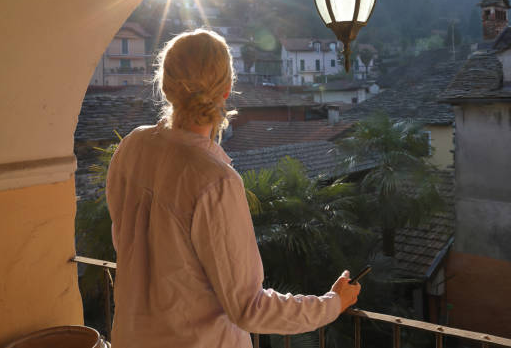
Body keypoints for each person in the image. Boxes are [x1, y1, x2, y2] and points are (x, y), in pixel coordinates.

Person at [106, 30, 361, 348]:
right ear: (227, 90)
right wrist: (332, 304)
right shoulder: (214, 181)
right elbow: (248, 309)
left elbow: (124, 240)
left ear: (165, 85)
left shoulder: (132, 146)